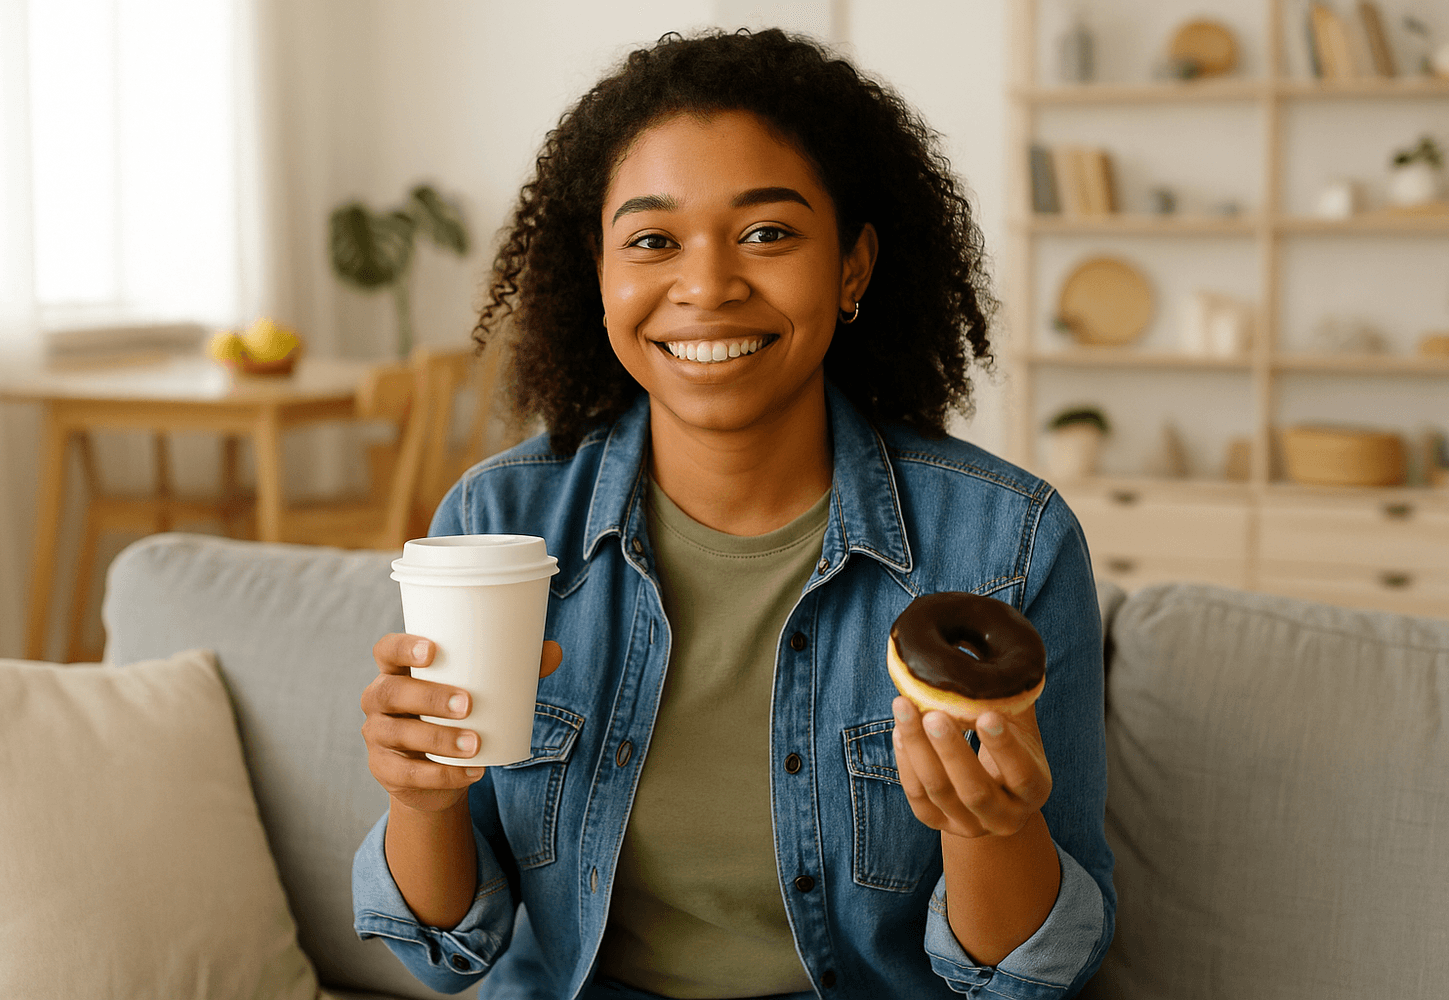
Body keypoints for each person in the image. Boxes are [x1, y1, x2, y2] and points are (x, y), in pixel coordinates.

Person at [353, 28, 1114, 1000]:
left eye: (767, 233)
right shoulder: (500, 519)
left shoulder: (1007, 543)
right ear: (600, 273)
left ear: (852, 266)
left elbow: (1034, 979)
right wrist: (419, 798)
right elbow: (442, 957)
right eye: (653, 240)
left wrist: (990, 827)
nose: (707, 285)